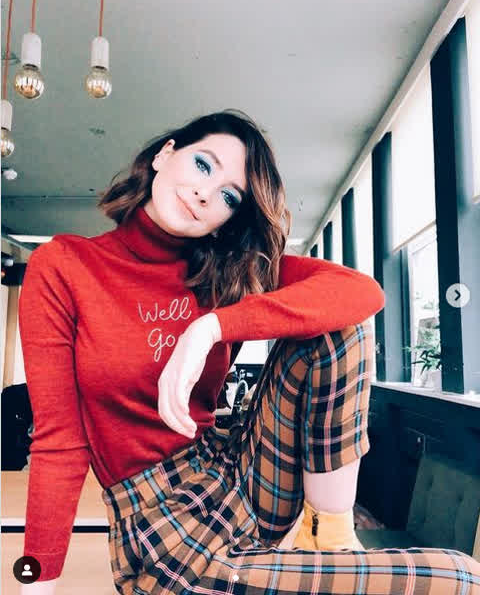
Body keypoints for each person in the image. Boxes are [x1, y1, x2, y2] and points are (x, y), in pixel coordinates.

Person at [18, 110, 480, 594]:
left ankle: (330, 538)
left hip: (237, 471)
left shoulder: (225, 272)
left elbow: (360, 293)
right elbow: (59, 445)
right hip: (163, 529)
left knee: (339, 327)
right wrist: (34, 582)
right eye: (203, 165)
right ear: (165, 155)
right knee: (462, 579)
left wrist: (210, 327)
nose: (205, 194)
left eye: (228, 196)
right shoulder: (65, 265)